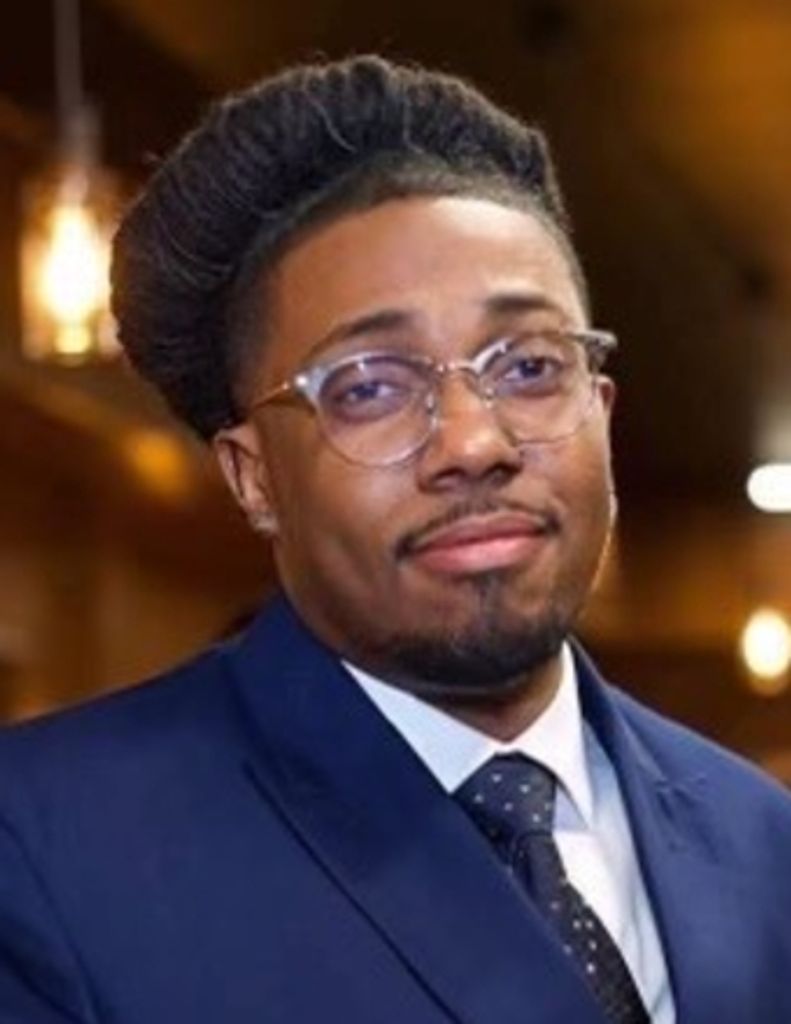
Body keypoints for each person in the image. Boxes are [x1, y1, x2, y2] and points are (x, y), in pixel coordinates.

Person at [0, 55, 789, 1024]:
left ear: (601, 410)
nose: (473, 443)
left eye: (529, 366)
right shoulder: (48, 852)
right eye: (369, 387)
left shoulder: (760, 839)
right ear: (253, 476)